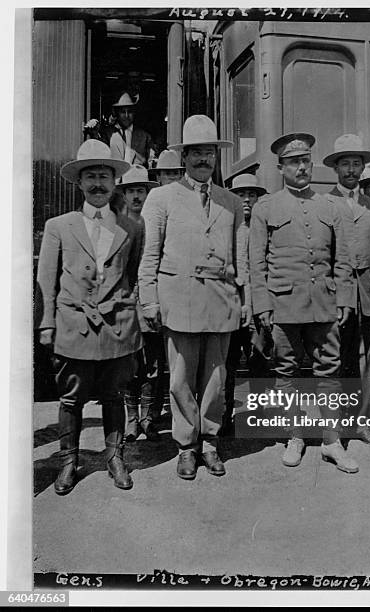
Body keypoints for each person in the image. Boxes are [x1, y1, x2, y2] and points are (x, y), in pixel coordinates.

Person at [138, 115, 250, 480]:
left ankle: (211, 442)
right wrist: (150, 300)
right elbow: (148, 255)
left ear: (216, 158)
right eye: (196, 153)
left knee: (217, 377)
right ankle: (186, 446)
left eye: (209, 153)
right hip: (179, 300)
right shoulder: (161, 197)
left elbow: (240, 255)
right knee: (180, 378)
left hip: (221, 301)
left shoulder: (231, 202)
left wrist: (244, 298)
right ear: (184, 157)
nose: (204, 160)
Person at [35, 139, 143, 494]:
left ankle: (115, 458)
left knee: (114, 395)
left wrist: (131, 311)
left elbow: (136, 271)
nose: (98, 184)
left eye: (105, 176)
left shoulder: (131, 227)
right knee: (71, 397)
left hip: (116, 326)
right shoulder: (58, 226)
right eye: (91, 176)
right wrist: (47, 322)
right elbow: (46, 279)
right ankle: (69, 462)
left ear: (115, 183)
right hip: (73, 324)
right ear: (79, 183)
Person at [250, 133, 358, 472]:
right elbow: (257, 263)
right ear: (281, 167)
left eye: (306, 160)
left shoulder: (332, 206)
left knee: (329, 371)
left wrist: (344, 299)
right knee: (286, 373)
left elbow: (343, 259)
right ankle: (295, 437)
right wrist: (262, 305)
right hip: (283, 305)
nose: (301, 167)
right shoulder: (266, 207)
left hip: (324, 303)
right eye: (294, 162)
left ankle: (331, 441)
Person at [324, 134, 370, 446]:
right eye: (345, 163)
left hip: (368, 292)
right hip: (337, 291)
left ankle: (361, 421)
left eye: (356, 163)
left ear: (363, 167)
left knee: (367, 356)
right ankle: (336, 424)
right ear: (336, 168)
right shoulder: (326, 202)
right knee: (338, 357)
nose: (351, 169)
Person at [116, 164, 163, 442]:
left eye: (141, 191)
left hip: (150, 303)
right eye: (131, 191)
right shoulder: (118, 225)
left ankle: (148, 417)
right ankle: (131, 419)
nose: (136, 196)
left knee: (153, 362)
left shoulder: (154, 223)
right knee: (130, 364)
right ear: (124, 194)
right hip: (126, 304)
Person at [223, 173, 272, 433]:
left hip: (259, 308)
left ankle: (259, 414)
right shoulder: (227, 227)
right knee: (228, 364)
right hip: (232, 306)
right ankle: (225, 415)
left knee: (260, 361)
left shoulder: (263, 226)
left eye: (251, 194)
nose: (245, 200)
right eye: (240, 194)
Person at [84, 92, 154, 167]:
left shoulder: (144, 136)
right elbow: (99, 154)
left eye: (129, 112)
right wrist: (93, 134)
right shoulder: (108, 134)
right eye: (123, 112)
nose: (126, 116)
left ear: (134, 113)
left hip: (136, 177)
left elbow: (151, 161)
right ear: (117, 113)